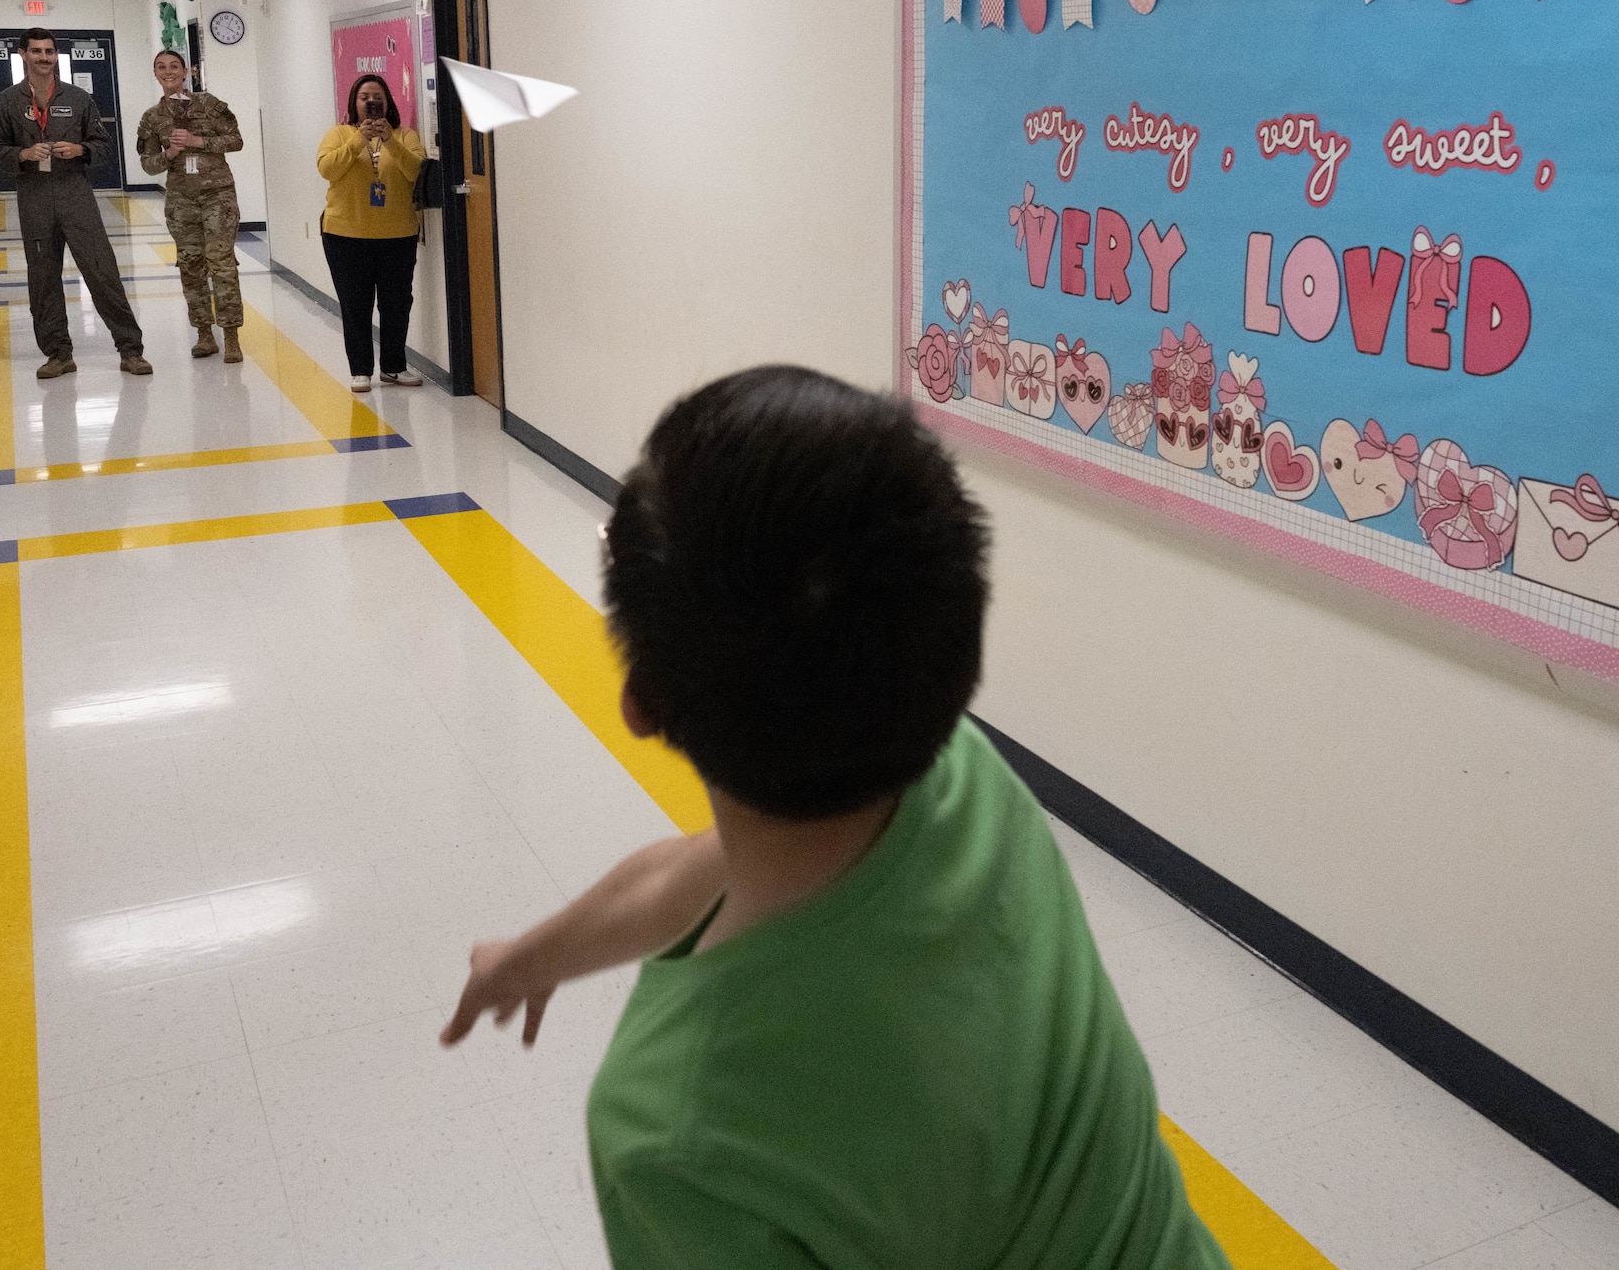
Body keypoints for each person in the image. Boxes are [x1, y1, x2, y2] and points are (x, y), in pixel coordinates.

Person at [441, 368, 1231, 1270]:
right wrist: (526, 961)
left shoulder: (682, 1136)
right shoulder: (957, 776)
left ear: (642, 702)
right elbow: (682, 876)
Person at [0, 27, 152, 379]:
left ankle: (130, 349)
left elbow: (104, 146)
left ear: (55, 56)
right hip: (35, 197)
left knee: (101, 271)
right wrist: (24, 153)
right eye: (36, 51)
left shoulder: (78, 99)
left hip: (75, 194)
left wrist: (81, 150)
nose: (43, 58)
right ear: (23, 55)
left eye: (49, 51)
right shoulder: (7, 101)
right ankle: (58, 353)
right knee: (43, 278)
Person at [316, 74, 426, 393]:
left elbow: (415, 172)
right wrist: (357, 142)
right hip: (345, 235)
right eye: (364, 97)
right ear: (354, 103)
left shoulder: (405, 136)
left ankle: (394, 366)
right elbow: (327, 169)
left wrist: (390, 140)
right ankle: (361, 369)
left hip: (397, 235)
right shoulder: (339, 135)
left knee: (396, 304)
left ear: (387, 103)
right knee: (356, 304)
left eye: (376, 97)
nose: (370, 102)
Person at [136, 50, 245, 363]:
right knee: (190, 264)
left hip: (218, 195)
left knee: (221, 261)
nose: (168, 72)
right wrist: (169, 153)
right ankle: (204, 334)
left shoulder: (209, 104)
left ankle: (232, 335)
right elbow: (148, 165)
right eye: (161, 68)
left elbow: (236, 139)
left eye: (174, 67)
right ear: (155, 73)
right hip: (181, 199)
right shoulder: (152, 117)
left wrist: (200, 143)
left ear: (186, 71)